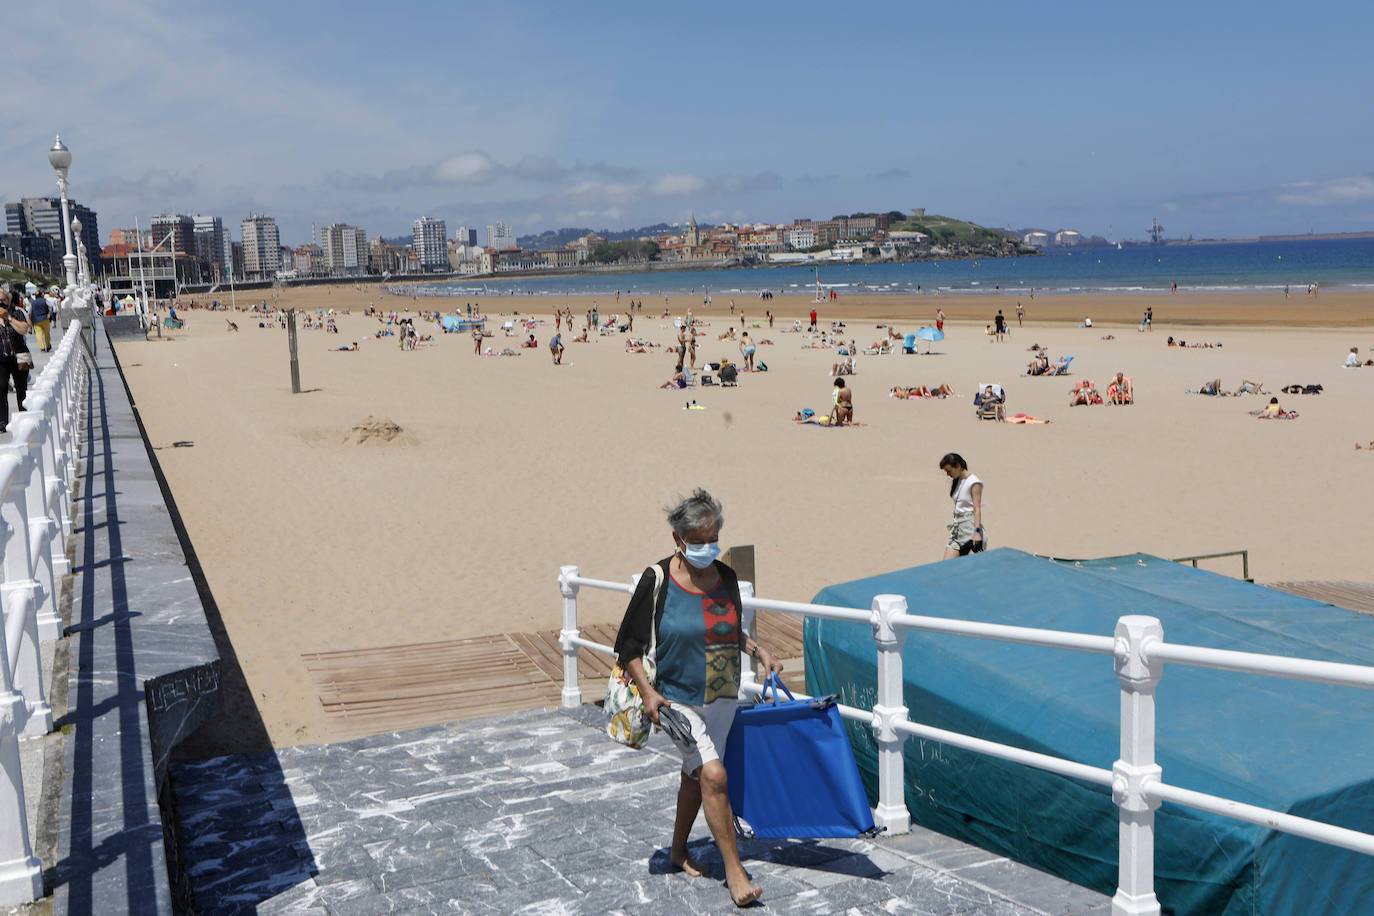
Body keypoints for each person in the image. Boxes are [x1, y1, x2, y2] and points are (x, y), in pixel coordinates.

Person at [612, 490, 779, 908]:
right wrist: (649, 693)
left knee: (696, 774)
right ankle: (735, 872)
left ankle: (677, 851)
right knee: (715, 775)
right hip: (675, 700)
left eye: (714, 537)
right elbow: (627, 646)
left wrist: (757, 649)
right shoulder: (657, 580)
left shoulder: (724, 578)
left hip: (722, 695)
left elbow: (729, 630)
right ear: (678, 538)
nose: (708, 547)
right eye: (699, 540)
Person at [939, 453, 984, 559]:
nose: (948, 475)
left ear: (958, 466)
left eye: (949, 471)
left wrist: (976, 532)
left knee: (970, 569)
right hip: (957, 529)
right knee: (945, 567)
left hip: (970, 529)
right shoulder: (958, 481)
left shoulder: (974, 482)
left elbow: (977, 509)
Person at [0, 296, 31, 432]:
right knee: (1, 388)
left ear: (8, 300)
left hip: (19, 356)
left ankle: (24, 417)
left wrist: (9, 318)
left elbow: (24, 329)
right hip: (1, 358)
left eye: (3, 299)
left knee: (21, 388)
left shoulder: (16, 312)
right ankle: (2, 421)